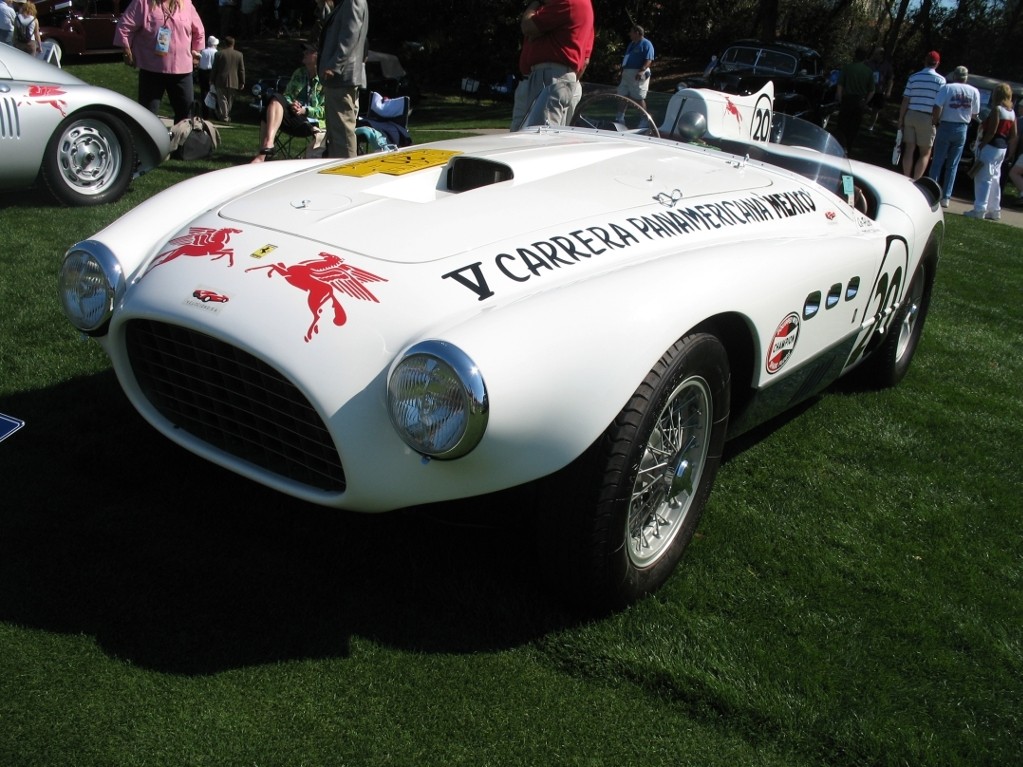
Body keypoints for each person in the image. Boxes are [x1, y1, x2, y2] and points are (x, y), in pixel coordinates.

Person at [114, 0, 205, 124]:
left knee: (185, 114)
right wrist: (126, 51)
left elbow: (199, 31)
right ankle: (149, 142)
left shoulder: (186, 4)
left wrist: (196, 52)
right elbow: (124, 27)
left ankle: (182, 142)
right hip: (152, 69)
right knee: (147, 115)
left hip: (182, 70)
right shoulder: (143, 3)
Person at [509, 0, 594, 131]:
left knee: (540, 134)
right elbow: (584, 61)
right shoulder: (581, 7)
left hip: (550, 76)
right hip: (555, 77)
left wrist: (535, 3)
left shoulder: (567, 2)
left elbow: (528, 27)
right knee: (536, 133)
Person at [251, 43, 323, 162]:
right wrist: (292, 104)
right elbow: (288, 95)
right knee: (275, 99)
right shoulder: (299, 73)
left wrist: (305, 110)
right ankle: (267, 147)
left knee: (269, 109)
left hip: (311, 123)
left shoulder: (324, 79)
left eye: (308, 51)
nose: (304, 53)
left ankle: (263, 154)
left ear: (317, 55)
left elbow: (325, 110)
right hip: (294, 116)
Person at [317, 0, 367, 159]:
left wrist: (334, 66)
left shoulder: (353, 1)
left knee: (342, 134)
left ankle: (348, 173)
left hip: (342, 77)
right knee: (337, 133)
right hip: (340, 78)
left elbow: (350, 35)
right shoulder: (345, 3)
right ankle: (341, 172)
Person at [964, 82, 1018, 221]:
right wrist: (1010, 152)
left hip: (990, 146)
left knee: (983, 178)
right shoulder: (1012, 112)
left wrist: (982, 145)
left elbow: (992, 131)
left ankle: (980, 208)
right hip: (1002, 148)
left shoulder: (997, 110)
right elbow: (1013, 135)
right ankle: (995, 210)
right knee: (995, 178)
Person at [927, 65, 980, 208]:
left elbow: (937, 106)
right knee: (953, 165)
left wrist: (935, 121)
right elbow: (975, 113)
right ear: (966, 77)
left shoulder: (948, 88)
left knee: (937, 161)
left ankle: (931, 192)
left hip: (945, 125)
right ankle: (946, 197)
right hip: (962, 127)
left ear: (955, 76)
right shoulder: (974, 91)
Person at [897, 50, 945, 180]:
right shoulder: (940, 80)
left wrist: (901, 118)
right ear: (937, 63)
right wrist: (936, 120)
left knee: (909, 149)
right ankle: (916, 180)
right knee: (925, 152)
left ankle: (906, 178)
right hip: (927, 116)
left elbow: (905, 99)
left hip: (911, 114)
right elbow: (939, 104)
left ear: (925, 61)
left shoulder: (914, 77)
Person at [834, 46, 875, 157]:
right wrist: (865, 102)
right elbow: (872, 90)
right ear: (865, 58)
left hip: (847, 100)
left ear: (855, 56)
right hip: (859, 101)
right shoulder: (868, 72)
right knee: (854, 127)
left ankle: (839, 147)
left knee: (842, 126)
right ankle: (849, 149)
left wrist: (839, 98)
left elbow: (840, 85)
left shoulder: (847, 68)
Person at [614, 24, 653, 122]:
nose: (629, 34)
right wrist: (622, 70)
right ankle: (620, 117)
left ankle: (645, 120)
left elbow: (649, 59)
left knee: (638, 97)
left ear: (637, 33)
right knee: (623, 95)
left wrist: (641, 71)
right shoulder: (632, 44)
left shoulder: (646, 44)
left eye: (631, 32)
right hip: (627, 73)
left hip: (637, 73)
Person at [211, 35, 244, 122]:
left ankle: (224, 115)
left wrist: (211, 80)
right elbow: (241, 70)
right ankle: (225, 115)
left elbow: (215, 68)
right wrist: (242, 82)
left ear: (225, 44)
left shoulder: (219, 54)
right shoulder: (239, 55)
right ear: (233, 44)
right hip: (234, 81)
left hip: (221, 80)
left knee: (222, 99)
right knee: (229, 100)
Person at [866, 46, 893, 130]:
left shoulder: (887, 66)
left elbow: (890, 79)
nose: (874, 55)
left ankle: (871, 126)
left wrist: (888, 91)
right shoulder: (869, 63)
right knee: (864, 106)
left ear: (881, 55)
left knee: (876, 109)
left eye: (876, 54)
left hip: (879, 90)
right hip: (868, 89)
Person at [196, 34, 218, 117]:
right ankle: (214, 112)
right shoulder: (216, 52)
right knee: (213, 93)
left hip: (203, 72)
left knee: (204, 93)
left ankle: (205, 113)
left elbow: (201, 63)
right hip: (211, 73)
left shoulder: (203, 51)